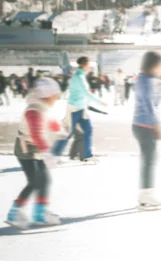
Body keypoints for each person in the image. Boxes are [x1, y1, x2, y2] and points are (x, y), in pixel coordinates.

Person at [5, 78, 62, 229]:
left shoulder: (42, 106)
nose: (56, 99)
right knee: (34, 182)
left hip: (36, 149)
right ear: (46, 95)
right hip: (26, 150)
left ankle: (40, 213)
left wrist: (57, 127)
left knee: (45, 180)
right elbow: (36, 134)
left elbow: (48, 121)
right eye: (55, 96)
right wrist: (48, 154)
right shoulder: (33, 111)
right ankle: (14, 212)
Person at [52, 56, 106, 162]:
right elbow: (86, 92)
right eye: (88, 64)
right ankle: (54, 155)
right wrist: (100, 102)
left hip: (81, 108)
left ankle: (87, 155)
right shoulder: (78, 77)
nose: (89, 66)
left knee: (88, 130)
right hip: (74, 108)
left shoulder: (80, 75)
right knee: (68, 132)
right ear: (84, 65)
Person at [132, 51, 161, 210]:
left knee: (148, 160)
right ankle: (146, 196)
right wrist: (156, 125)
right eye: (159, 65)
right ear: (153, 65)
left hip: (140, 124)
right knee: (149, 160)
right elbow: (150, 105)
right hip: (145, 125)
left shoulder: (143, 79)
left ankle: (145, 194)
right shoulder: (147, 81)